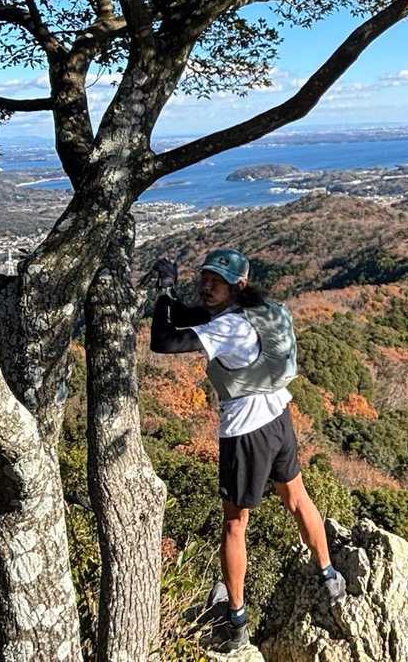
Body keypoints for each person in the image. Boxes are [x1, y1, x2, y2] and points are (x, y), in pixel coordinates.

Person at [149, 247, 345, 649]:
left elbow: (164, 342)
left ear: (237, 285)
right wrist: (172, 296)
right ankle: (329, 576)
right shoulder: (263, 309)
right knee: (297, 498)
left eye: (216, 282)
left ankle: (235, 622)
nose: (207, 287)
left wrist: (164, 288)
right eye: (205, 279)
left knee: (235, 524)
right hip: (279, 416)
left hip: (245, 430)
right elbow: (190, 316)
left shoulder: (230, 327)